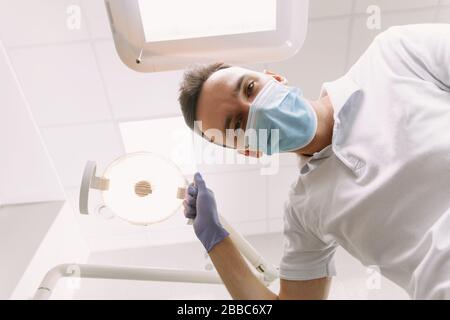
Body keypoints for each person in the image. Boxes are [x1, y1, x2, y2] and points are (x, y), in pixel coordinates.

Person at [178, 24, 450, 299]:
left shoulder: (393, 55)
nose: (256, 107)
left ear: (274, 77)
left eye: (250, 88)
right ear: (251, 151)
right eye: (238, 123)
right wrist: (216, 240)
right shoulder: (304, 212)